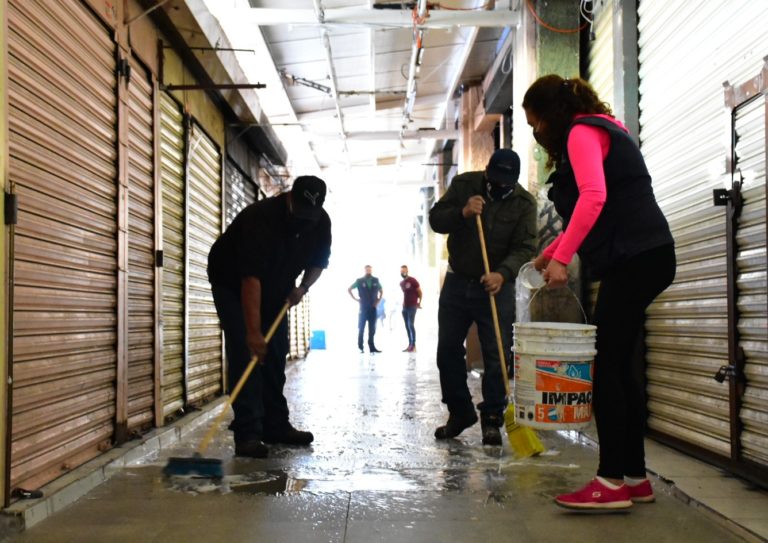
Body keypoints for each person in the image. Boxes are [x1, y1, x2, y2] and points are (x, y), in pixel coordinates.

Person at [522, 74, 675, 509]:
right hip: (647, 255)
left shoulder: (582, 132)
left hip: (635, 258)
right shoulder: (606, 127)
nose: (536, 133)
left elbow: (593, 197)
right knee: (621, 366)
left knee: (606, 368)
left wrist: (561, 259)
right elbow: (601, 206)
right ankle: (634, 477)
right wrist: (551, 250)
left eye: (535, 123)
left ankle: (609, 483)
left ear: (551, 115)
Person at [207, 175, 332, 458]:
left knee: (275, 351)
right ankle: (248, 434)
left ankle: (275, 425)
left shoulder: (320, 221)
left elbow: (318, 262)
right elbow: (250, 279)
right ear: (289, 197)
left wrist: (302, 288)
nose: (305, 218)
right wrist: (252, 332)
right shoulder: (260, 218)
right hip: (232, 282)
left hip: (277, 284)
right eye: (300, 210)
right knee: (246, 352)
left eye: (310, 213)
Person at [429, 149, 537, 446]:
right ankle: (459, 412)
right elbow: (436, 220)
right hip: (457, 282)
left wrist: (502, 273)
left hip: (495, 287)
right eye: (495, 179)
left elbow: (526, 247)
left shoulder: (525, 204)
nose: (500, 186)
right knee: (447, 350)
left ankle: (492, 418)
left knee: (496, 352)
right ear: (487, 171)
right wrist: (461, 213)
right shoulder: (465, 185)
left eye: (507, 182)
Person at [348, 265, 383, 353]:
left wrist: (378, 300)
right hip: (363, 308)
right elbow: (349, 289)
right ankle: (360, 346)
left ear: (371, 271)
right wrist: (356, 299)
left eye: (370, 270)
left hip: (373, 307)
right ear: (364, 270)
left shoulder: (376, 280)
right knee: (361, 327)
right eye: (367, 270)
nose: (368, 271)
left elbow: (381, 290)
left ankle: (372, 347)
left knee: (372, 328)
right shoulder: (359, 281)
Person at [399, 265, 422, 352]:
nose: (403, 272)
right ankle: (410, 345)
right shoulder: (401, 283)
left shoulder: (413, 280)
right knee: (407, 326)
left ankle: (413, 345)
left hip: (412, 306)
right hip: (405, 307)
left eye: (404, 271)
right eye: (401, 271)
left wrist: (419, 302)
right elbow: (405, 294)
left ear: (407, 271)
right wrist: (403, 303)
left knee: (410, 324)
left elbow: (420, 292)